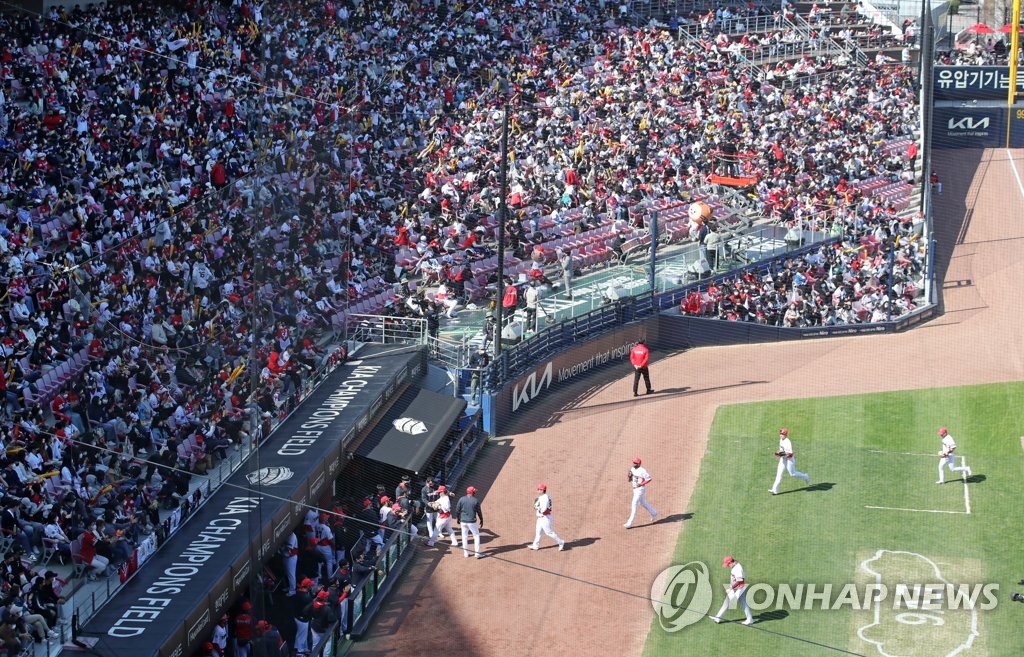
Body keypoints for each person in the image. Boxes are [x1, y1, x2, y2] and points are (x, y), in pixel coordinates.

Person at [710, 556, 755, 625]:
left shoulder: (737, 569)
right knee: (728, 602)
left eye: (728, 565)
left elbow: (740, 581)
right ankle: (718, 617)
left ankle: (750, 619)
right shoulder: (735, 566)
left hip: (738, 589)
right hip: (736, 588)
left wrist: (731, 588)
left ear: (731, 562)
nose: (728, 566)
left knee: (741, 603)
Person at [770, 428, 811, 495]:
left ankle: (805, 476)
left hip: (789, 460)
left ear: (785, 435)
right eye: (780, 434)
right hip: (783, 460)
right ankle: (775, 490)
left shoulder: (788, 442)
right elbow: (781, 450)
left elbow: (790, 454)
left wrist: (783, 454)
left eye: (782, 434)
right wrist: (779, 453)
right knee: (779, 474)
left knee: (792, 474)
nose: (780, 435)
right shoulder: (781, 440)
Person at [529, 484, 565, 551]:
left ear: (543, 490)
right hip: (540, 518)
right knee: (538, 532)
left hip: (545, 518)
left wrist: (536, 507)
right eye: (538, 489)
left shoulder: (544, 498)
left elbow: (543, 510)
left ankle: (561, 542)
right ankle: (535, 546)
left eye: (540, 489)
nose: (538, 490)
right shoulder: (546, 496)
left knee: (549, 532)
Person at [624, 458, 658, 528]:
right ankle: (654, 513)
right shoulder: (632, 469)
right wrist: (629, 476)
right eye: (633, 462)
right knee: (643, 502)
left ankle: (630, 523)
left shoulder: (643, 471)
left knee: (634, 504)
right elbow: (629, 480)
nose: (634, 464)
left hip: (640, 490)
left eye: (635, 463)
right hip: (635, 489)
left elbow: (649, 479)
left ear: (639, 464)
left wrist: (642, 484)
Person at [455, 486, 484, 559]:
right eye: (474, 492)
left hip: (463, 522)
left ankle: (466, 553)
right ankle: (477, 554)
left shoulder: (461, 499)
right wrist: (481, 519)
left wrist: (458, 519)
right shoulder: (475, 500)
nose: (475, 493)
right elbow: (479, 512)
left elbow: (457, 510)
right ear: (472, 492)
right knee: (476, 536)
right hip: (472, 522)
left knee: (464, 537)